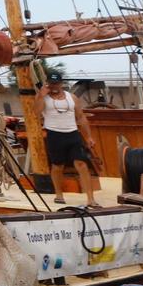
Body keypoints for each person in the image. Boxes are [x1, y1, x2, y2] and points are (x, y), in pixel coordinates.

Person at [40, 74, 101, 206]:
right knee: (58, 165)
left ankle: (90, 199)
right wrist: (40, 95)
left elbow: (81, 117)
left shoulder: (71, 97)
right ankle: (59, 194)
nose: (53, 86)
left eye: (56, 83)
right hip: (54, 134)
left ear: (61, 84)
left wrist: (88, 136)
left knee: (82, 164)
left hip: (72, 133)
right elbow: (35, 112)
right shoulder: (44, 97)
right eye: (51, 84)